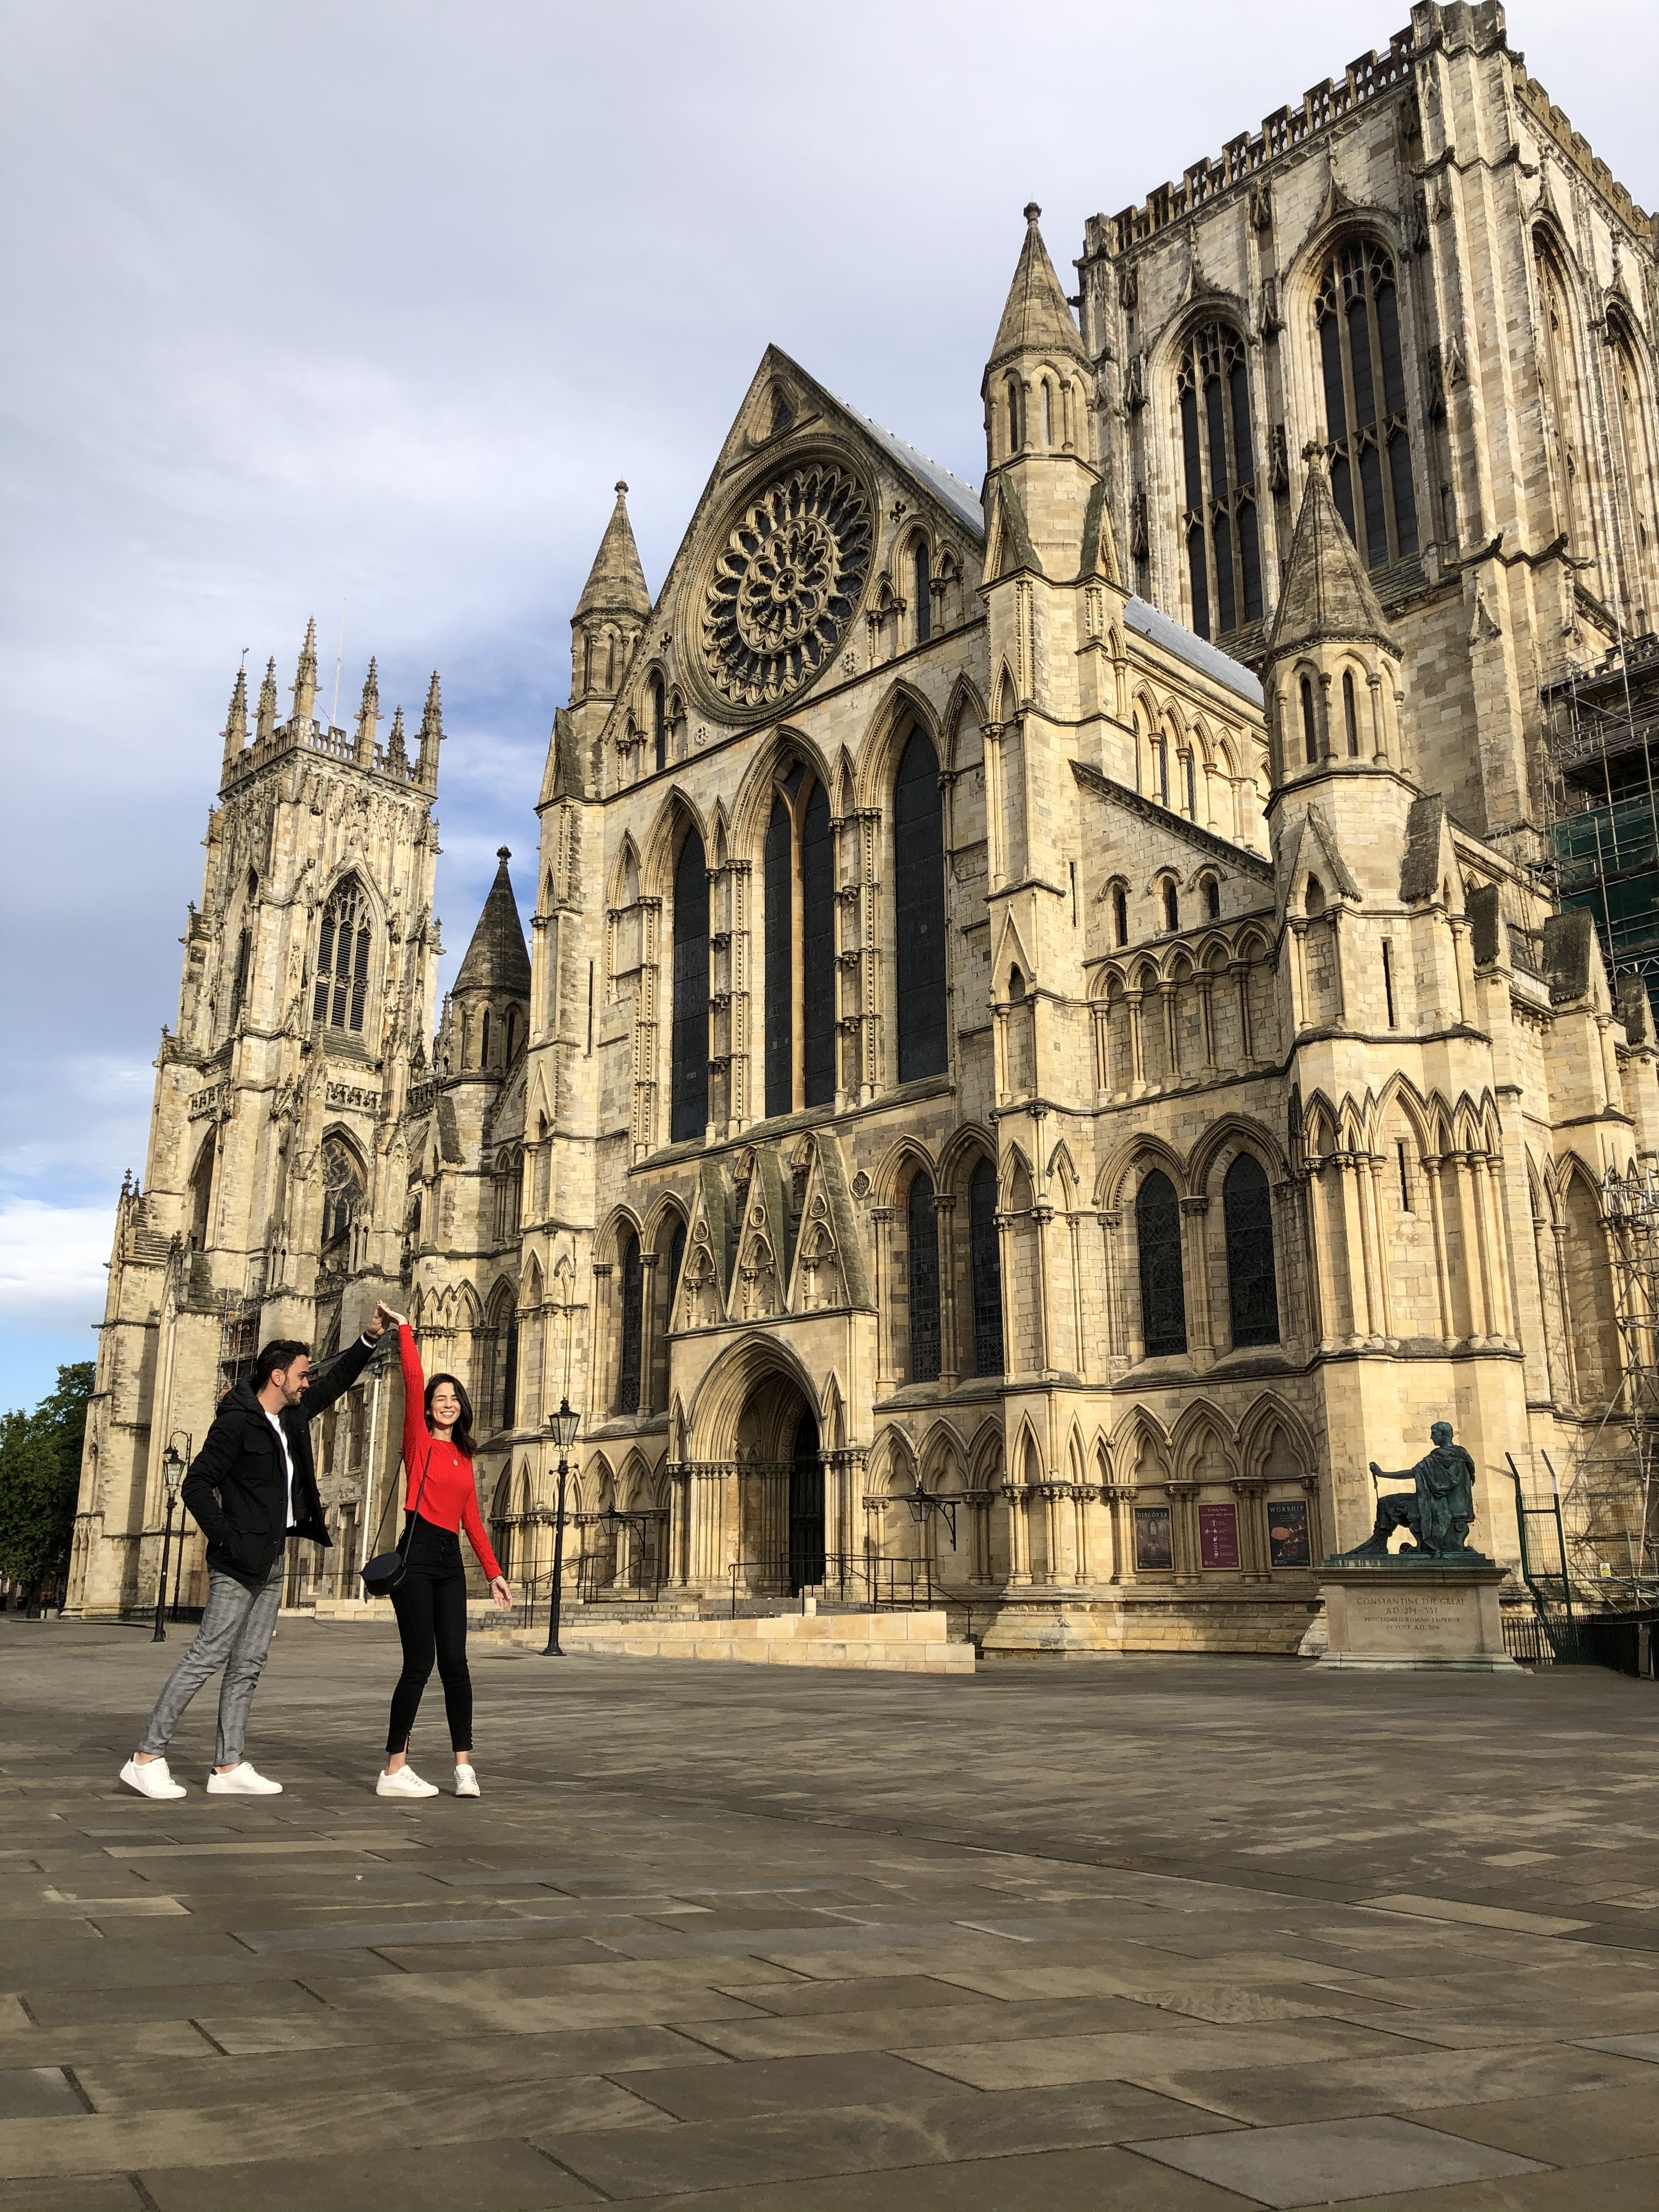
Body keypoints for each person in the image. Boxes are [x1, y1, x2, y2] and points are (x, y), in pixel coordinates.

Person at [121, 1308, 392, 1799]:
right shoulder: (237, 1422)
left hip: (272, 1559)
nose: (307, 1382)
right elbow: (196, 1484)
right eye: (302, 1374)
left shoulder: (291, 1415)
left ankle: (228, 1765)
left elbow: (335, 1386)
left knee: (248, 1663)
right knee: (207, 1656)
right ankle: (146, 1757)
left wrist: (370, 1338)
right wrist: (228, 1538)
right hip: (237, 1563)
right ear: (278, 1377)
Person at [375, 1311, 512, 1798]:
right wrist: (405, 1330)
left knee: (456, 1663)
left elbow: (472, 1520)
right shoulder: (418, 1444)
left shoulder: (464, 1457)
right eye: (440, 1399)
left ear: (462, 1407)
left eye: (454, 1398)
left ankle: (464, 1768)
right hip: (415, 1559)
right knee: (419, 1663)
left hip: (450, 1563)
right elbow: (413, 1381)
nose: (448, 1404)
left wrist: (494, 1573)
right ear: (429, 1409)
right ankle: (394, 1770)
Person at [1341, 1420, 1481, 1559]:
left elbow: (1413, 1473)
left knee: (1386, 1502)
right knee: (1392, 1502)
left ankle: (1379, 1543)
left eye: (1434, 1434)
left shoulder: (1442, 1455)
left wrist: (1383, 1474)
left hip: (1440, 1504)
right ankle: (1378, 1542)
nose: (1431, 1437)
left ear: (1444, 1434)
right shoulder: (1462, 1453)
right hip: (1447, 1503)